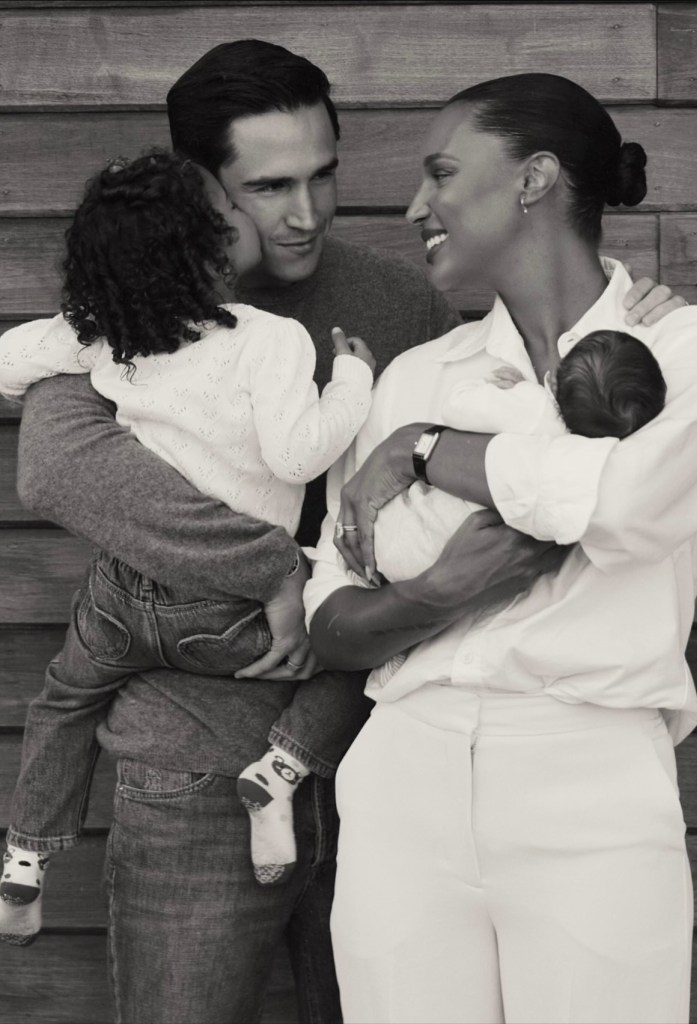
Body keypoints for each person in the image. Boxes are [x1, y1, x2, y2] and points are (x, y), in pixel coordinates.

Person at [11, 39, 680, 1023]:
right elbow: (62, 468)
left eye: (322, 176)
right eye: (268, 187)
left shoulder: (397, 304)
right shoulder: (135, 303)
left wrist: (625, 324)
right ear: (200, 189)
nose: (306, 213)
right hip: (194, 767)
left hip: (382, 759)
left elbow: (513, 429)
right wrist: (275, 570)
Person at [305, 73, 697, 1024]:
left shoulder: (692, 350)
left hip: (591, 772)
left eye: (440, 174)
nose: (415, 205)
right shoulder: (415, 377)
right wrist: (436, 595)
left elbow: (622, 507)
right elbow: (333, 622)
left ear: (534, 178)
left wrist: (425, 450)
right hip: (402, 776)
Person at [0, 146, 379, 944]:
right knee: (364, 648)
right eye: (230, 207)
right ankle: (279, 772)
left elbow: (7, 364)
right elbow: (298, 458)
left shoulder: (106, 335)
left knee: (65, 699)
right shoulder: (269, 338)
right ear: (212, 244)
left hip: (122, 593)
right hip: (227, 610)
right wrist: (352, 380)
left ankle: (26, 854)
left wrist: (84, 330)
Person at [371, 328, 666, 585]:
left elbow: (456, 407)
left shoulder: (533, 406)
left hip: (412, 533)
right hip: (460, 552)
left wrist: (492, 386)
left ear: (553, 383)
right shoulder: (586, 454)